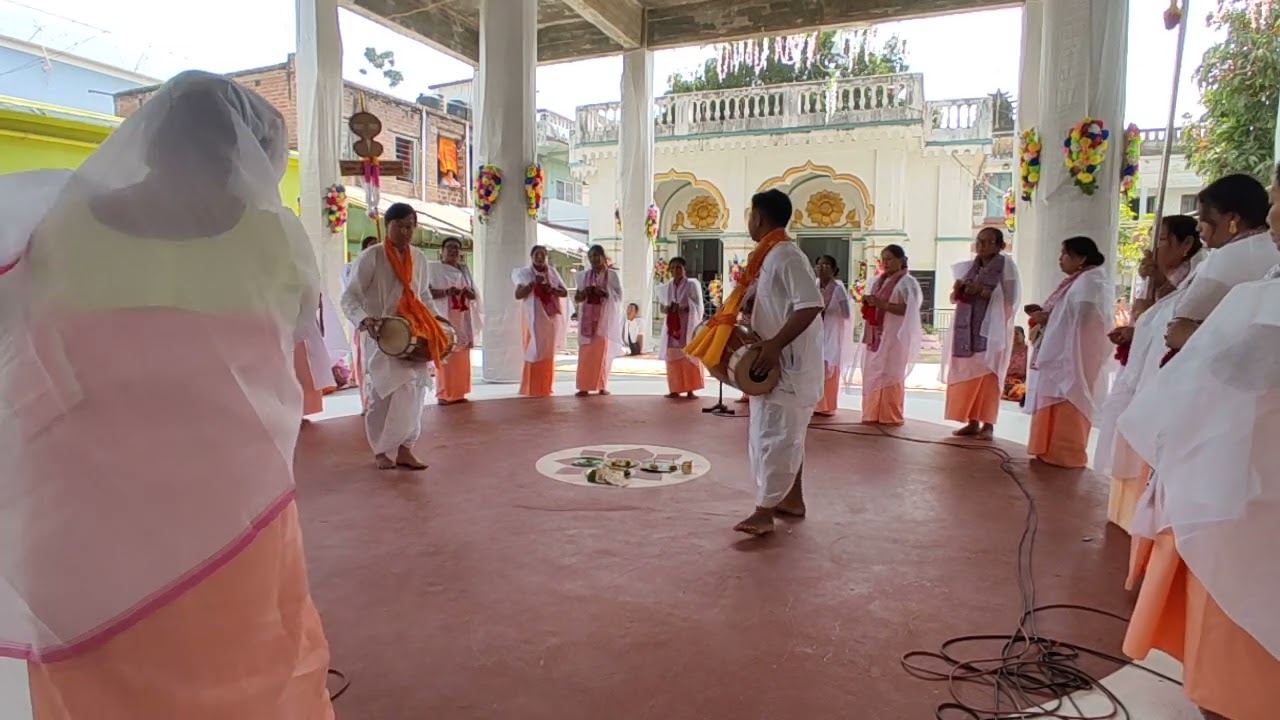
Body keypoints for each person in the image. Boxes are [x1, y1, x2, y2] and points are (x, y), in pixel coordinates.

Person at [0, 71, 333, 718]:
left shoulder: (55, 224)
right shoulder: (277, 240)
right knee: (245, 671)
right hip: (232, 515)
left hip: (77, 518)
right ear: (252, 157)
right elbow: (293, 333)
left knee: (97, 685)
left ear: (150, 141)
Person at [1117, 169, 1280, 718]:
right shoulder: (1264, 264)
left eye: (1278, 202)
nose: (1272, 217)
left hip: (1247, 476)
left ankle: (1234, 696)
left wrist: (1195, 337)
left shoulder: (1238, 260)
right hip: (1245, 463)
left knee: (1239, 583)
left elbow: (1243, 362)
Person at [686, 189, 824, 537]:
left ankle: (764, 512)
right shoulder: (771, 257)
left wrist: (774, 346)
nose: (748, 221)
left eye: (749, 215)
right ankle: (792, 500)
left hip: (785, 367)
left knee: (773, 438)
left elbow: (810, 305)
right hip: (781, 365)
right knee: (787, 437)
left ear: (759, 218)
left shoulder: (785, 256)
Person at [1097, 215, 1205, 531]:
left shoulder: (1194, 279)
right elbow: (1144, 317)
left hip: (1161, 376)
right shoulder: (1158, 277)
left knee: (1146, 442)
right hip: (1139, 370)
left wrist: (1158, 281)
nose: (1155, 248)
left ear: (1186, 245)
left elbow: (1173, 322)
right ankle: (1124, 511)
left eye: (1162, 240)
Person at [341, 202, 446, 471]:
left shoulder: (420, 258)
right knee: (382, 394)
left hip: (414, 334)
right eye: (399, 225)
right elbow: (350, 296)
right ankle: (380, 451)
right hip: (382, 336)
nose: (406, 231)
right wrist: (365, 321)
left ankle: (405, 449)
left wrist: (437, 321)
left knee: (414, 394)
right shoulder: (372, 256)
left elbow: (423, 296)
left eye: (410, 226)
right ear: (388, 226)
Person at [1163, 173, 1279, 365]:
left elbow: (1181, 321)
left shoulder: (1228, 257)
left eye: (1274, 202)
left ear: (1232, 218)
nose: (1199, 227)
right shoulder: (1262, 247)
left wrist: (1190, 334)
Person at [1021, 236, 1112, 468]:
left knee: (1069, 397)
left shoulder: (1089, 281)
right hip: (1062, 350)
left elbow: (1084, 317)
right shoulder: (1080, 280)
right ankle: (1048, 449)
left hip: (1073, 356)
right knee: (1054, 396)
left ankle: (1066, 455)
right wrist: (1048, 317)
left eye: (1065, 254)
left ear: (1080, 258)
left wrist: (1049, 319)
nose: (1060, 259)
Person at [940, 227, 1021, 440]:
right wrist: (959, 288)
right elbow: (954, 297)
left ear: (1000, 245)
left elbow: (1010, 299)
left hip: (991, 331)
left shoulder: (1007, 267)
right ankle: (972, 421)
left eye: (988, 242)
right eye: (979, 241)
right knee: (966, 375)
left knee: (988, 377)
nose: (982, 246)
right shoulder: (970, 268)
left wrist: (982, 292)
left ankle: (988, 426)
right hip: (966, 330)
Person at [854, 244, 923, 425]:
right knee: (873, 372)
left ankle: (889, 415)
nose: (886, 262)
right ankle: (871, 413)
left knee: (890, 373)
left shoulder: (908, 283)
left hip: (895, 337)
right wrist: (870, 302)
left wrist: (883, 305)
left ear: (901, 261)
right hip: (876, 337)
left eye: (890, 258)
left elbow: (910, 310)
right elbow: (874, 303)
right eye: (883, 259)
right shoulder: (876, 281)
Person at [427, 236, 481, 405]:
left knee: (461, 355)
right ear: (441, 251)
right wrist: (446, 292)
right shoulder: (433, 268)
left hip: (462, 317)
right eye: (449, 247)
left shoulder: (464, 269)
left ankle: (459, 392)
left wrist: (466, 292)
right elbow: (425, 293)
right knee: (446, 353)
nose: (453, 250)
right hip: (444, 316)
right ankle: (444, 394)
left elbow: (474, 294)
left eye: (457, 248)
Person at [513, 245, 569, 397]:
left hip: (550, 315)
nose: (540, 258)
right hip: (533, 316)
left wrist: (552, 289)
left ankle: (545, 386)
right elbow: (518, 295)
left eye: (543, 255)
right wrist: (532, 285)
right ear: (531, 257)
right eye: (537, 255)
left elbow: (563, 292)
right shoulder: (525, 274)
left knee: (547, 349)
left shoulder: (552, 272)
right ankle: (530, 387)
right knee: (533, 348)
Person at [573, 245, 624, 396]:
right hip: (587, 319)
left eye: (596, 256)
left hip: (604, 320)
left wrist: (603, 292)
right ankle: (583, 386)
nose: (594, 259)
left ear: (603, 257)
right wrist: (582, 295)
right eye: (591, 256)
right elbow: (577, 297)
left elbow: (619, 296)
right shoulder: (583, 276)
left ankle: (601, 385)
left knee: (601, 353)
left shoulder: (612, 275)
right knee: (585, 353)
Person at [657, 256, 705, 399]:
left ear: (684, 269)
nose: (675, 271)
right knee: (672, 357)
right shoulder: (668, 286)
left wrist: (684, 308)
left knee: (687, 356)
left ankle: (690, 389)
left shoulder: (692, 284)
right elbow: (662, 305)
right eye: (672, 268)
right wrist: (666, 309)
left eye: (678, 267)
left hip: (687, 326)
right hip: (672, 327)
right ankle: (675, 389)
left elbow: (698, 306)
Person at [813, 254, 854, 417]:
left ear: (834, 269)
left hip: (831, 332)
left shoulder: (838, 288)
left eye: (826, 265)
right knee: (815, 368)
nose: (822, 269)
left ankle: (827, 406)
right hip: (816, 333)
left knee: (829, 366)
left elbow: (846, 313)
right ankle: (815, 404)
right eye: (819, 265)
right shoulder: (814, 285)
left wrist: (829, 311)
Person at [346, 235, 381, 415]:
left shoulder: (387, 266)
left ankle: (379, 402)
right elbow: (350, 296)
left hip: (385, 323)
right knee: (364, 362)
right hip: (364, 323)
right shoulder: (351, 269)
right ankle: (366, 402)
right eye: (371, 247)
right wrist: (363, 318)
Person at [1002, 327, 1028, 403]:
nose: (1014, 336)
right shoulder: (1006, 350)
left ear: (1023, 335)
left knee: (1019, 392)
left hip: (1021, 383)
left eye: (1016, 334)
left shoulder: (1028, 351)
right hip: (1006, 381)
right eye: (1011, 334)